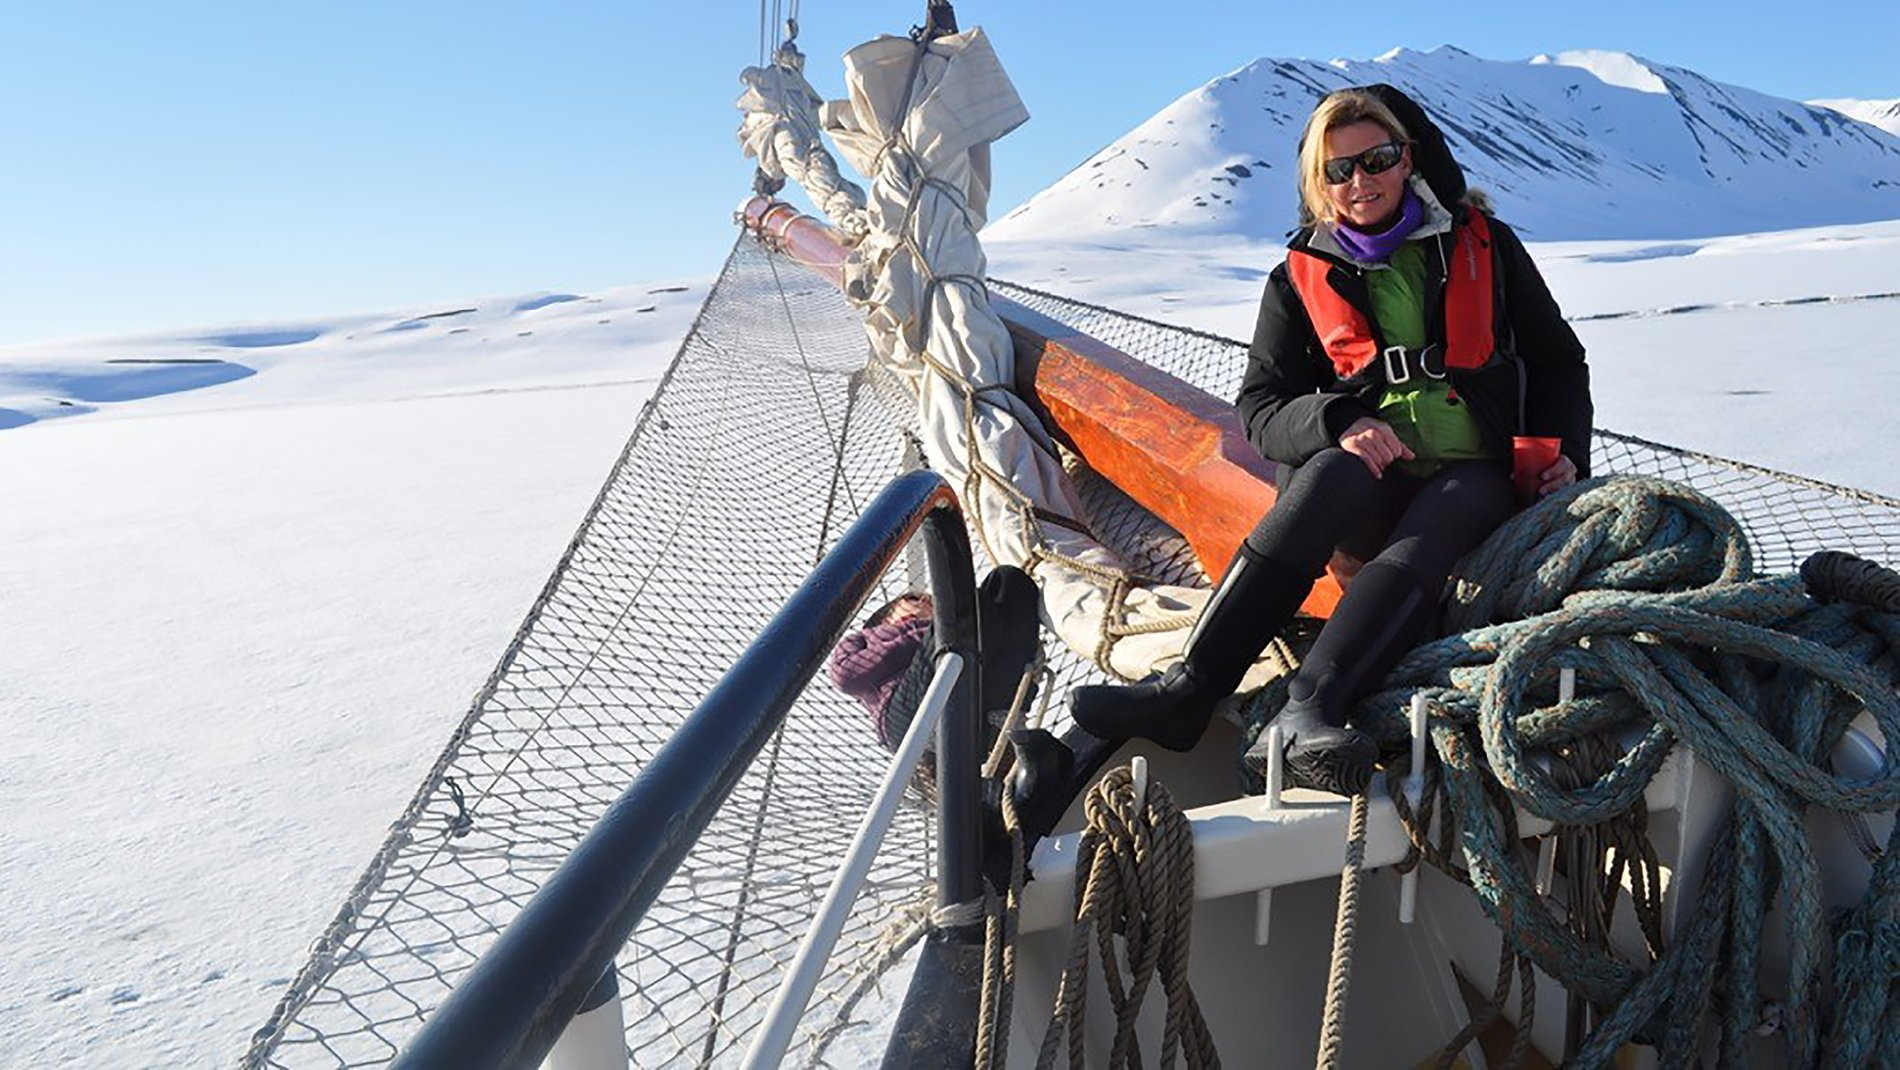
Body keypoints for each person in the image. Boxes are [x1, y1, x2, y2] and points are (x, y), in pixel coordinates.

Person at [1065, 84, 1593, 796]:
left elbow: (1559, 359)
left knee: (1437, 522)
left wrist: (1565, 457)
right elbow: (1261, 408)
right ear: (1318, 184)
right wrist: (1338, 422)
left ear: (1409, 160)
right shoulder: (1297, 277)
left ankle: (1308, 711)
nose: (1360, 181)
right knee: (1325, 477)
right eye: (1337, 170)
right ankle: (1189, 692)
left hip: (1478, 473)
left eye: (1376, 159)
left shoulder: (1485, 246)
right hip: (1372, 485)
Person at [828, 565, 1043, 755]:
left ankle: (1000, 725)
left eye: (931, 602)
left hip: (970, 687)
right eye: (914, 599)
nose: (925, 600)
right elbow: (845, 674)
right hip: (902, 714)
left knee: (1008, 581)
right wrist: (922, 632)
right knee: (967, 606)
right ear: (885, 618)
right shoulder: (865, 638)